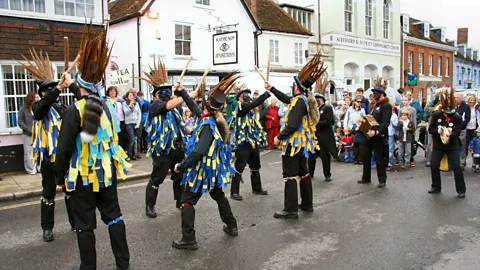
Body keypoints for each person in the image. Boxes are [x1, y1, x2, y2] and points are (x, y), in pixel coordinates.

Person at [53, 26, 131, 270]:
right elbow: (116, 136)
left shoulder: (74, 111)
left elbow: (64, 149)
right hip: (106, 175)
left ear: (80, 83)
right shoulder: (107, 105)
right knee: (115, 218)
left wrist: (60, 177)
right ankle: (123, 264)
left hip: (83, 179)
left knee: (85, 226)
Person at [18, 49, 80, 242]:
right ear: (44, 93)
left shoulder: (62, 109)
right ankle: (47, 228)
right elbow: (41, 108)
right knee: (49, 193)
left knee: (70, 190)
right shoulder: (38, 108)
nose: (57, 92)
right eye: (52, 89)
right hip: (48, 159)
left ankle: (74, 222)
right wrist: (59, 88)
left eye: (57, 88)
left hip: (65, 157)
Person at [172, 73, 239, 250]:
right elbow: (194, 107)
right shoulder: (211, 119)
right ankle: (231, 225)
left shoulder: (208, 125)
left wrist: (182, 165)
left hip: (203, 170)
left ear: (207, 106)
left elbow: (200, 151)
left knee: (187, 200)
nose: (200, 106)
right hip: (213, 169)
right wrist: (182, 92)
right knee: (218, 195)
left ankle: (188, 239)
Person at [267, 53, 324, 219]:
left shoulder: (299, 102)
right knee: (303, 172)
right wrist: (271, 88)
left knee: (290, 175)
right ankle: (307, 204)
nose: (292, 87)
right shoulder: (300, 99)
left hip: (292, 144)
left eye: (294, 85)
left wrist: (279, 137)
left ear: (297, 87)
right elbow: (285, 98)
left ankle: (290, 209)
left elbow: (292, 125)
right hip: (300, 145)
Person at [141, 59, 188, 217]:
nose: (167, 95)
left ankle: (180, 201)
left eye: (169, 92)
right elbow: (166, 106)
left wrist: (194, 131)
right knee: (157, 178)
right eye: (164, 92)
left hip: (176, 148)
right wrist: (188, 96)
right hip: (162, 150)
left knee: (179, 175)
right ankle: (150, 206)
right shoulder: (154, 106)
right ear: (156, 94)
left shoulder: (176, 110)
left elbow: (183, 126)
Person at [229, 85, 269, 201]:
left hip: (252, 140)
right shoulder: (241, 107)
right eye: (244, 94)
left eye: (248, 94)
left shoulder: (250, 110)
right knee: (239, 166)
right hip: (243, 142)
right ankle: (234, 191)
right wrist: (266, 93)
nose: (247, 96)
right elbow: (254, 104)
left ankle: (257, 188)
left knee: (255, 165)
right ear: (240, 98)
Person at [428, 88, 466, 198]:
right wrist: (438, 131)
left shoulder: (457, 118)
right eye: (446, 114)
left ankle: (461, 189)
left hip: (452, 146)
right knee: (434, 165)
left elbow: (457, 132)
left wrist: (450, 133)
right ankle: (436, 186)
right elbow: (431, 129)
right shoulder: (437, 115)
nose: (447, 116)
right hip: (439, 145)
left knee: (457, 167)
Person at [357, 86, 392, 188]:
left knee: (379, 158)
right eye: (373, 93)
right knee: (366, 156)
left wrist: (376, 132)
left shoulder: (386, 106)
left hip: (378, 135)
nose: (374, 95)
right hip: (368, 135)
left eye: (376, 93)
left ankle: (382, 179)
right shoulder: (372, 106)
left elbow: (385, 123)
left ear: (382, 95)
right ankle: (366, 177)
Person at [308, 93, 337, 181]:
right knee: (311, 156)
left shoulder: (327, 108)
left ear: (322, 99)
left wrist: (315, 124)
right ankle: (310, 173)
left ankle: (327, 175)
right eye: (315, 99)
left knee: (325, 157)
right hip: (314, 137)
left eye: (318, 99)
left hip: (324, 137)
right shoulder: (314, 110)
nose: (316, 100)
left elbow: (328, 122)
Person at [18, 92, 37, 175]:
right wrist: (28, 130)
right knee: (28, 153)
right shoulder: (23, 109)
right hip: (27, 135)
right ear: (31, 99)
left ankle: (37, 167)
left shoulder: (37, 108)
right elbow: (20, 122)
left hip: (37, 134)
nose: (37, 98)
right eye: (36, 97)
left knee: (37, 152)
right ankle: (30, 169)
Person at [107, 86, 128, 152]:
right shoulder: (107, 100)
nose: (113, 92)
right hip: (112, 122)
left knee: (121, 137)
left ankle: (121, 151)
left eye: (114, 91)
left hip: (121, 121)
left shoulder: (120, 100)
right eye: (111, 91)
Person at [122, 90, 141, 161]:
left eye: (132, 95)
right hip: (129, 123)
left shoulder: (137, 104)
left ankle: (134, 155)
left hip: (135, 123)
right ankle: (129, 155)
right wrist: (131, 105)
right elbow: (126, 113)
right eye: (130, 95)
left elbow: (139, 114)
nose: (132, 97)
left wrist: (138, 123)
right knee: (132, 139)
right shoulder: (125, 104)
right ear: (127, 97)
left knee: (135, 140)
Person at [455, 93, 471, 169]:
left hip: (462, 129)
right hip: (454, 129)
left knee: (463, 145)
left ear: (461, 98)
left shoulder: (466, 107)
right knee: (454, 146)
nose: (456, 99)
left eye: (457, 98)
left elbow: (468, 118)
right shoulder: (454, 107)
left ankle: (462, 162)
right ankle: (455, 161)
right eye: (455, 97)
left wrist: (460, 125)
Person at [401, 95, 417, 166]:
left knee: (409, 147)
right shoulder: (401, 109)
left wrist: (413, 130)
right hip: (402, 132)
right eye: (403, 100)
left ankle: (410, 159)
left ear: (409, 101)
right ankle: (401, 161)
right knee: (402, 148)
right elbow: (399, 118)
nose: (404, 102)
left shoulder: (413, 109)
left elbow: (414, 120)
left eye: (406, 100)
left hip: (410, 131)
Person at [465, 94, 478, 167]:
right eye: (471, 99)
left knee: (476, 146)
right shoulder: (466, 107)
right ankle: (463, 161)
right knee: (465, 146)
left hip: (474, 129)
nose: (472, 101)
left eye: (473, 100)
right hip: (467, 128)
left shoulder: (477, 108)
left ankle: (475, 161)